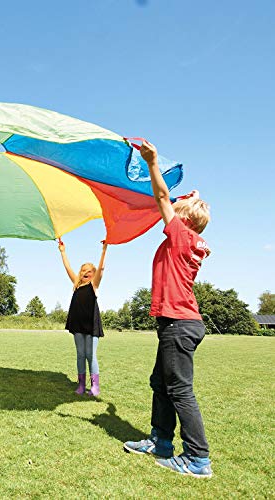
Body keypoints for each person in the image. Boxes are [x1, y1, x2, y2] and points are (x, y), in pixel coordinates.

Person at [123, 140, 213, 478]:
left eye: (183, 205)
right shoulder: (191, 238)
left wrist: (152, 162)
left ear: (185, 218)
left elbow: (162, 197)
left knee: (179, 389)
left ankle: (198, 459)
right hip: (178, 322)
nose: (176, 203)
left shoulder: (179, 235)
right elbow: (173, 203)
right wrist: (193, 198)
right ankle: (161, 441)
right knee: (159, 383)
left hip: (178, 323)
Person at [59, 240, 107, 396]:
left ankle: (95, 387)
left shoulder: (94, 285)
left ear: (93, 275)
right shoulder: (76, 284)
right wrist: (63, 251)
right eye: (84, 270)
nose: (86, 273)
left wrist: (104, 250)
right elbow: (67, 267)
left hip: (91, 325)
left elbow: (101, 269)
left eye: (89, 271)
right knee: (80, 354)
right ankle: (81, 385)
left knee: (90, 355)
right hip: (78, 324)